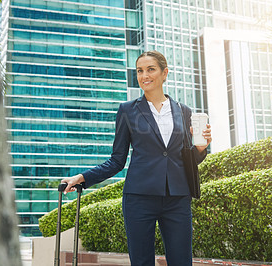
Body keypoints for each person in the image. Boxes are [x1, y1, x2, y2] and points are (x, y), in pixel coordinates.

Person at [61, 50, 212, 266]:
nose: (144, 75)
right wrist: (83, 177)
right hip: (139, 198)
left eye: (151, 69)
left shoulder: (183, 111)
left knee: (182, 261)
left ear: (164, 73)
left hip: (178, 198)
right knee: (141, 262)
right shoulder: (127, 111)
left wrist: (200, 148)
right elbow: (117, 160)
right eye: (140, 71)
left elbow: (188, 160)